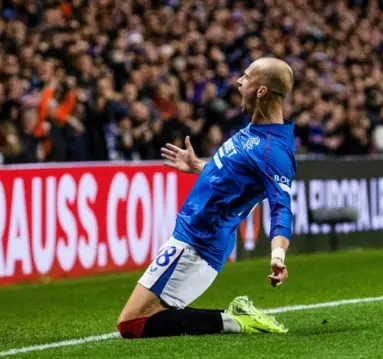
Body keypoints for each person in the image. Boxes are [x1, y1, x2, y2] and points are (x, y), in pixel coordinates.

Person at [116, 57, 296, 339]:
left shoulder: (273, 150)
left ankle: (235, 321)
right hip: (190, 234)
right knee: (138, 320)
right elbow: (236, 177)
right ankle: (233, 320)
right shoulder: (255, 131)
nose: (239, 81)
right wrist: (200, 167)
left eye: (246, 77)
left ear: (261, 91)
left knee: (132, 324)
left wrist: (277, 255)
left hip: (200, 243)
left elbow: (281, 208)